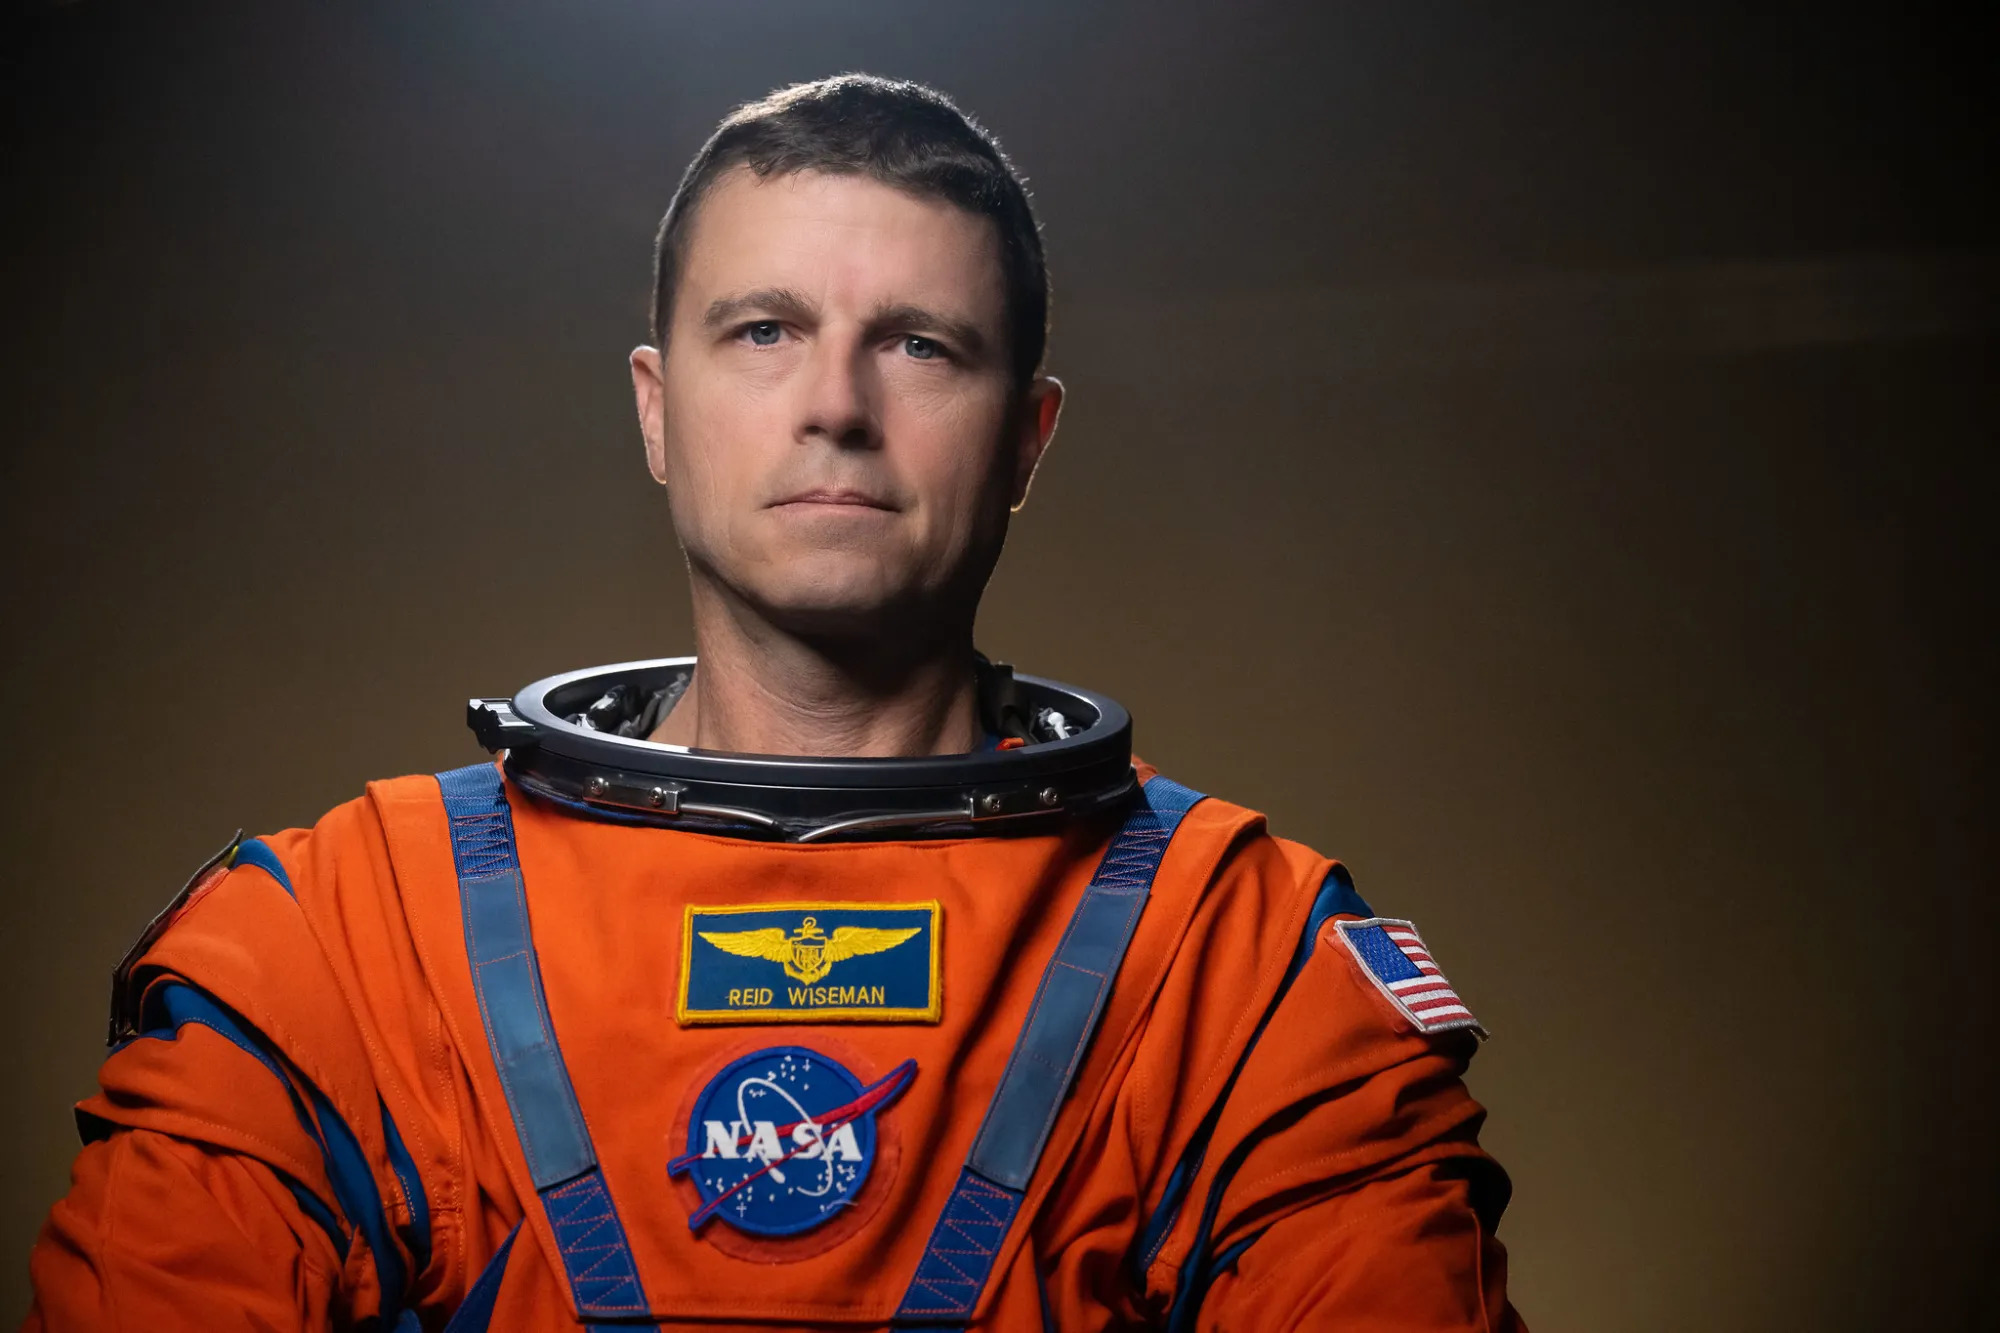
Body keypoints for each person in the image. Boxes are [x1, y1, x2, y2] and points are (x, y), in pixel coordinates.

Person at [23, 74, 1526, 1331]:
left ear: (1027, 438)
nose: (834, 404)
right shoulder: (344, 946)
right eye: (763, 331)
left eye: (921, 346)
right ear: (656, 407)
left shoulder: (1243, 968)